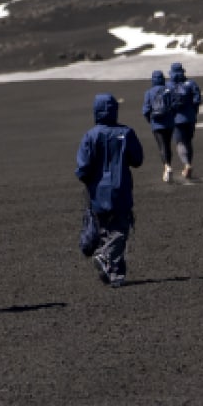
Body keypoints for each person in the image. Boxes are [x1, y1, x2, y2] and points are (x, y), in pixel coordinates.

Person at [76, 93, 144, 287]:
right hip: (120, 188)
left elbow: (82, 168)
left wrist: (90, 183)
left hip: (97, 191)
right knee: (120, 230)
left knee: (106, 230)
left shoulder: (90, 135)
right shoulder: (126, 133)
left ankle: (115, 274)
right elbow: (137, 160)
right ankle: (106, 257)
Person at [166, 62, 203, 181]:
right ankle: (188, 165)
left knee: (180, 143)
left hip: (176, 119)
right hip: (190, 117)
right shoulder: (191, 83)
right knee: (188, 141)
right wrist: (194, 111)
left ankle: (187, 164)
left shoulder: (168, 85)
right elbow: (197, 99)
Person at [140, 70, 177, 182]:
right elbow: (175, 105)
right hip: (169, 122)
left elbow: (146, 110)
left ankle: (167, 167)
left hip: (156, 123)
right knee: (167, 145)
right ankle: (168, 165)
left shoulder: (149, 92)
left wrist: (150, 120)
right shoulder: (168, 90)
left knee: (162, 146)